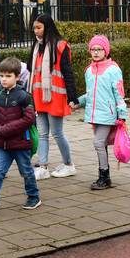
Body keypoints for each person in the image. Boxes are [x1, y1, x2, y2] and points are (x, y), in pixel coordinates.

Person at [0, 57, 39, 213]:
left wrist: (5, 129)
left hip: (20, 144)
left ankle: (33, 196)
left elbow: (28, 119)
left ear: (17, 77)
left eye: (8, 76)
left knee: (26, 172)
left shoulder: (25, 96)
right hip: (3, 143)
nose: (4, 79)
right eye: (1, 76)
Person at [29, 14, 78, 179]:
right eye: (34, 27)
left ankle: (69, 164)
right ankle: (42, 167)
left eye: (39, 27)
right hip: (39, 96)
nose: (35, 31)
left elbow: (68, 73)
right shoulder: (37, 46)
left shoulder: (61, 46)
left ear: (47, 27)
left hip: (55, 96)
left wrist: (73, 97)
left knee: (57, 133)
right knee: (42, 133)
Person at [77, 35, 127, 190]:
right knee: (102, 144)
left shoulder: (113, 69)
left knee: (98, 143)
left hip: (108, 114)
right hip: (94, 114)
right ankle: (105, 177)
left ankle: (103, 177)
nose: (96, 52)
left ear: (106, 51)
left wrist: (122, 114)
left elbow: (119, 93)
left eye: (99, 49)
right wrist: (77, 101)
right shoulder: (89, 70)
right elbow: (90, 93)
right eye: (93, 49)